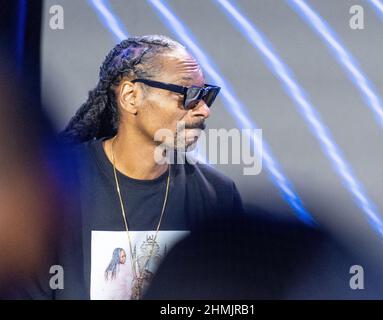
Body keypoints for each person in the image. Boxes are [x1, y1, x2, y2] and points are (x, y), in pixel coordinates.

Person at [24, 35, 244, 300]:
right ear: (130, 97)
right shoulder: (56, 187)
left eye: (207, 95)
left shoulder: (216, 196)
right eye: (188, 94)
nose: (204, 110)